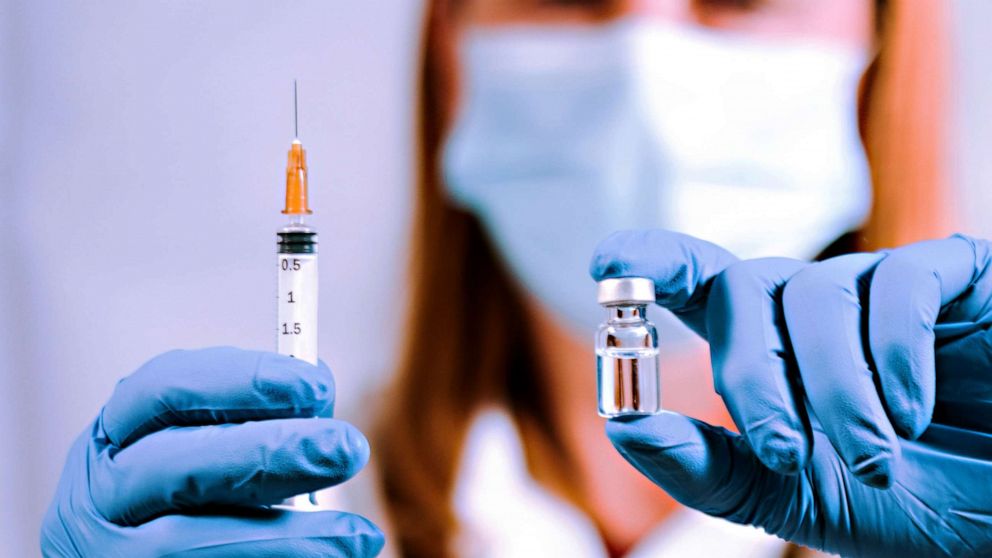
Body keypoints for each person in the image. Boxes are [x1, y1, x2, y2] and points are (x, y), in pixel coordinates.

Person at [42, 1, 992, 557]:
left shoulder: (957, 504)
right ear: (451, 48)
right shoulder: (307, 513)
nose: (647, 81)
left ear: (882, 41)